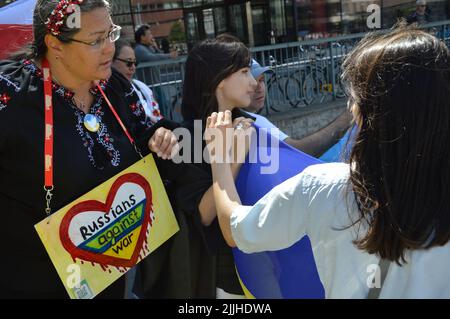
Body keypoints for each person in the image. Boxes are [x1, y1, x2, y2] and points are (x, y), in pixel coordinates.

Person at [206, 25, 450, 298]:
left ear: (360, 113)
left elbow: (234, 228)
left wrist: (219, 158)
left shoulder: (322, 188)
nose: (254, 82)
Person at [0, 0, 182, 298]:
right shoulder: (9, 94)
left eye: (110, 34)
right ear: (55, 45)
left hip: (108, 279)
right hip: (29, 282)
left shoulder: (114, 87)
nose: (110, 48)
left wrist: (163, 136)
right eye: (96, 41)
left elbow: (142, 134)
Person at [180, 37, 257, 298]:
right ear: (219, 78)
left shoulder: (247, 123)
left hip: (259, 264)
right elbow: (204, 215)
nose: (254, 82)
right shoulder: (186, 136)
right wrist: (233, 156)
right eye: (245, 72)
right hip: (224, 278)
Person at [246, 58, 352, 158]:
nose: (259, 88)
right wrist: (348, 117)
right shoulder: (253, 122)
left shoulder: (241, 120)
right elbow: (299, 152)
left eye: (261, 80)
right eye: (251, 82)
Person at [113, 39, 163, 124]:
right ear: (111, 61)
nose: (133, 67)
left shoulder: (140, 86)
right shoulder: (105, 92)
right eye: (128, 62)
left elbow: (157, 115)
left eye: (135, 63)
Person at [134, 24, 177, 118]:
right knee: (158, 107)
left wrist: (156, 47)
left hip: (155, 83)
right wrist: (169, 55)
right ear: (142, 37)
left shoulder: (148, 47)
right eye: (149, 34)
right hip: (149, 84)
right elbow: (152, 58)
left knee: (163, 105)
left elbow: (159, 55)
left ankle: (165, 122)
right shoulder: (139, 49)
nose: (152, 36)